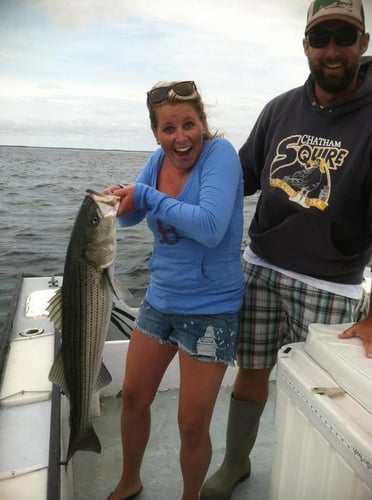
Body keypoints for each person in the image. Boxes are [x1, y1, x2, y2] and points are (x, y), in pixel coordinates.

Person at [201, 1, 372, 499]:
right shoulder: (279, 108)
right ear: (306, 48)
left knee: (327, 393)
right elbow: (238, 180)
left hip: (331, 284)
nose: (332, 50)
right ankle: (236, 464)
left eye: (344, 37)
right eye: (321, 39)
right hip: (260, 270)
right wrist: (169, 195)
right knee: (250, 373)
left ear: (363, 43)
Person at [104, 80, 245, 500]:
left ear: (202, 122)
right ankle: (130, 480)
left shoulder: (221, 156)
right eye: (169, 129)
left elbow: (209, 226)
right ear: (156, 133)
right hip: (159, 302)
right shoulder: (155, 161)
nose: (180, 137)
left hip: (211, 312)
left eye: (188, 124)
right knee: (132, 397)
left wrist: (146, 195)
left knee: (191, 423)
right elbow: (130, 217)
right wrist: (117, 202)